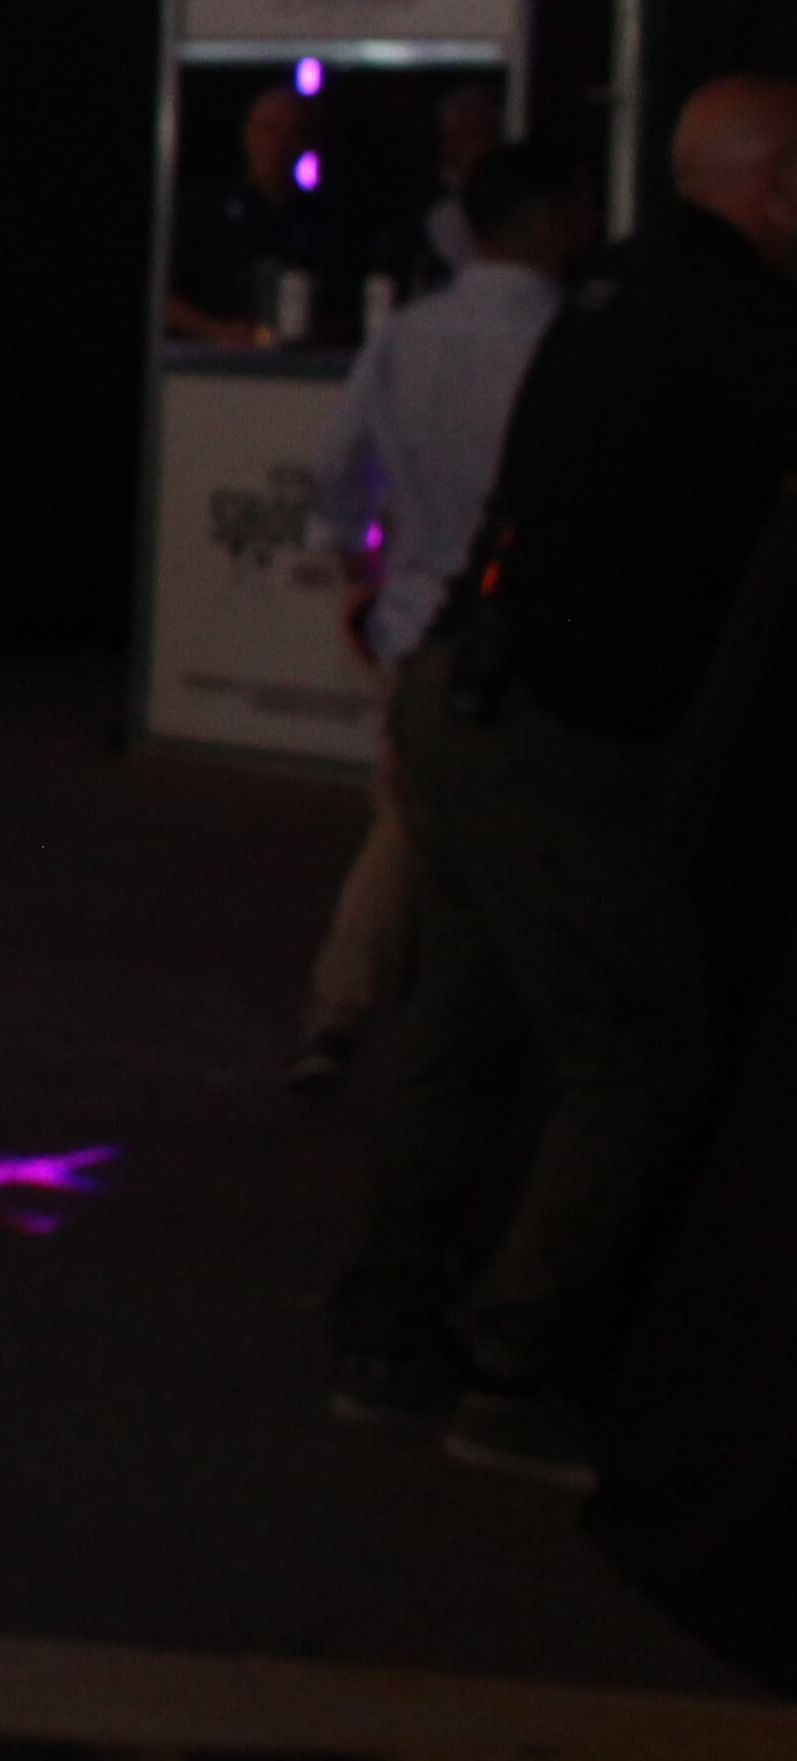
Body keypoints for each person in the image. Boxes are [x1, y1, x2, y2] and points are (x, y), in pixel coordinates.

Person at [331, 75, 797, 1488]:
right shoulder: (733, 314)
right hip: (548, 729)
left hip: (464, 685)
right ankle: (514, 1365)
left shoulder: (613, 289)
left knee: (459, 1024)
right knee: (640, 1052)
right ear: (774, 184)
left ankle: (389, 1337)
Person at [288, 136, 576, 1092]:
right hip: (534, 633)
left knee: (409, 830)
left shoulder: (408, 333)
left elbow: (333, 472)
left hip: (420, 628)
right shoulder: (567, 339)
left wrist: (361, 569)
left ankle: (339, 1018)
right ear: (551, 224)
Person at [167, 79, 352, 346]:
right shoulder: (203, 212)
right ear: (248, 134)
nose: (280, 146)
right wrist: (220, 332)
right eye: (270, 131)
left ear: (307, 144)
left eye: (293, 134)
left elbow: (346, 312)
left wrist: (309, 337)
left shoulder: (324, 222)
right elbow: (164, 297)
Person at [420, 78, 506, 291]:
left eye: (465, 138)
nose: (451, 152)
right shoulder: (438, 221)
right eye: (447, 139)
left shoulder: (514, 220)